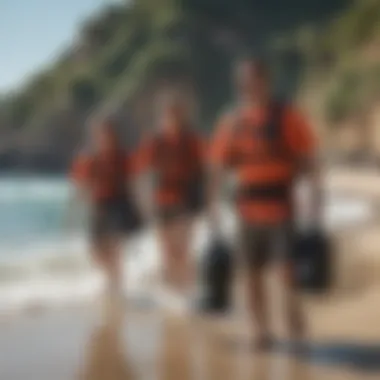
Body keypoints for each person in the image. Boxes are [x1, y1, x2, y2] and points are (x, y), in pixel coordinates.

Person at [208, 58, 321, 349]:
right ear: (240, 85)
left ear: (267, 82)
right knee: (250, 273)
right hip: (246, 210)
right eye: (246, 82)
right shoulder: (231, 121)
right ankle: (260, 331)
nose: (251, 86)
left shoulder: (288, 117)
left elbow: (309, 161)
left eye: (256, 80)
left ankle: (293, 317)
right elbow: (218, 168)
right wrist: (213, 209)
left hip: (281, 207)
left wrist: (315, 201)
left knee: (286, 271)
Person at [133, 95, 205, 307]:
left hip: (186, 200)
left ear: (182, 115)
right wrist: (143, 204)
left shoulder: (192, 140)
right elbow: (140, 171)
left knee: (182, 250)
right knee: (166, 252)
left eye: (176, 113)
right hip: (162, 201)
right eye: (169, 114)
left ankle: (187, 294)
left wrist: (208, 202)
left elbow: (207, 168)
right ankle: (174, 297)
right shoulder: (154, 141)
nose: (173, 118)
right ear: (163, 116)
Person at [71, 119, 133, 298]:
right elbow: (80, 184)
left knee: (114, 248)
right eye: (100, 134)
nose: (104, 138)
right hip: (98, 206)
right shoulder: (89, 158)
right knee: (96, 250)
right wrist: (76, 209)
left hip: (117, 203)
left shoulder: (121, 157)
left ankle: (116, 286)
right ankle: (111, 280)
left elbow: (132, 181)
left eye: (107, 133)